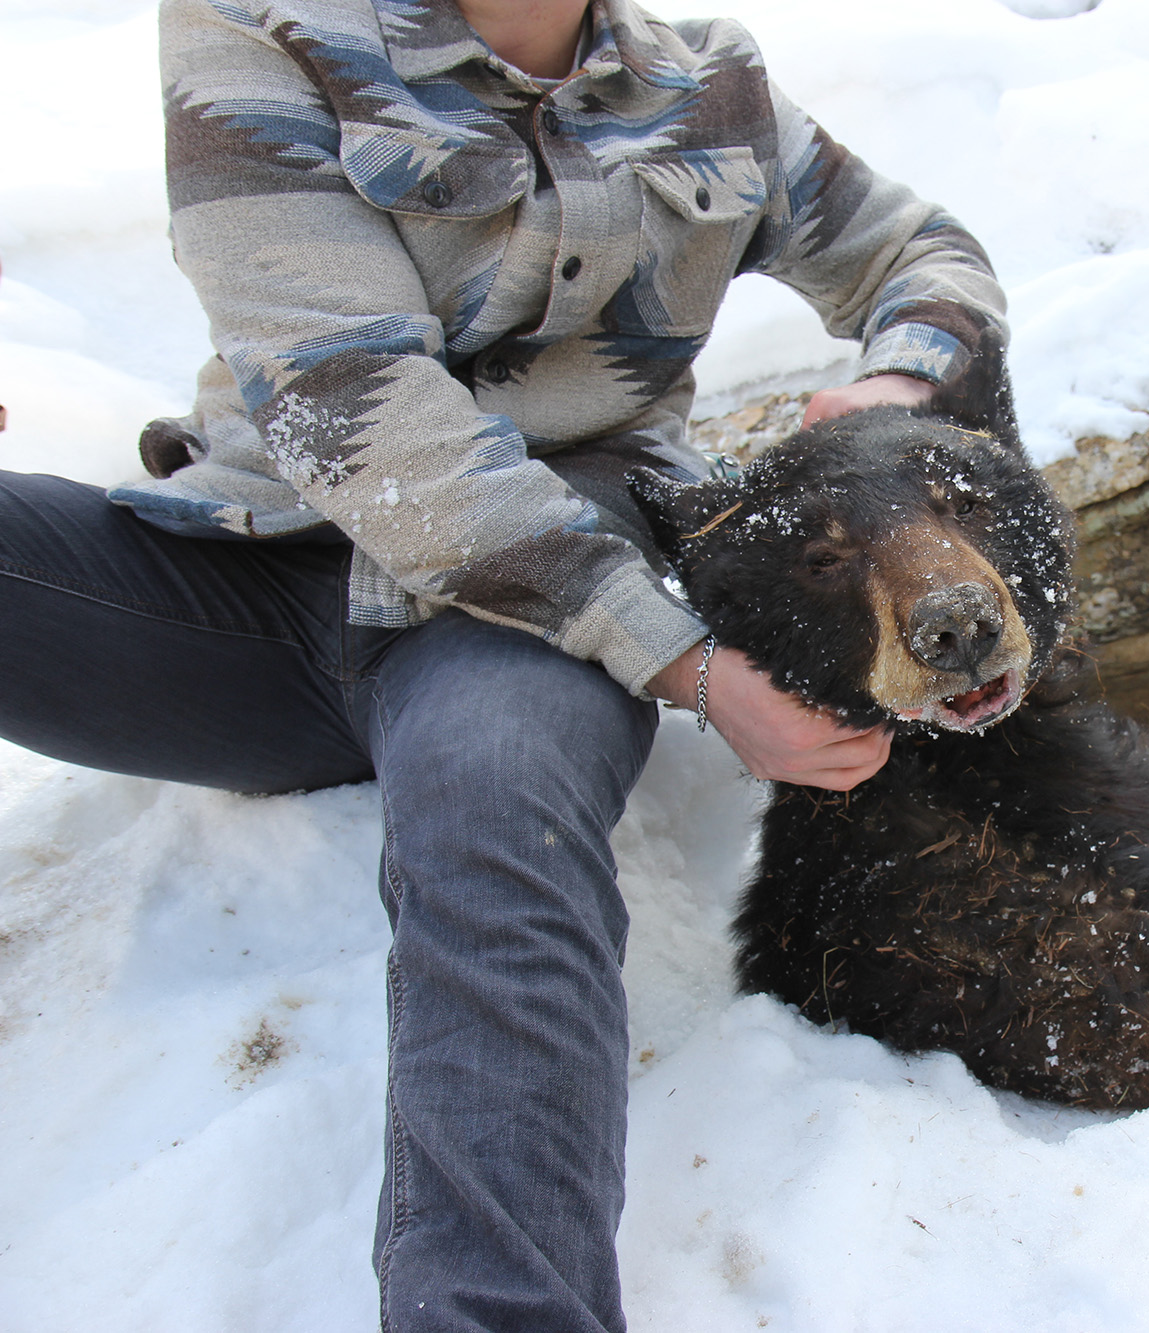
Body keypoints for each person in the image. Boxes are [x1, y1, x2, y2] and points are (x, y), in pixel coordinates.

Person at [0, 0, 1006, 1327]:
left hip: (535, 611)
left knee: (498, 805)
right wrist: (690, 668)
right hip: (249, 576)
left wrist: (899, 382)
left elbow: (927, 255)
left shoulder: (710, 86)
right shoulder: (258, 36)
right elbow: (363, 420)